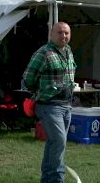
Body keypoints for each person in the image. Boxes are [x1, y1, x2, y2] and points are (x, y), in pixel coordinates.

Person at [23, 22, 76, 183]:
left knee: (54, 143)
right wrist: (41, 91)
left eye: (66, 33)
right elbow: (28, 78)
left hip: (66, 105)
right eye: (59, 33)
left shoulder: (68, 51)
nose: (63, 36)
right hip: (49, 105)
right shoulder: (43, 53)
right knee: (59, 141)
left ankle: (47, 179)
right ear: (51, 35)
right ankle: (57, 179)